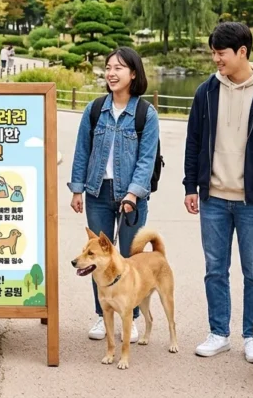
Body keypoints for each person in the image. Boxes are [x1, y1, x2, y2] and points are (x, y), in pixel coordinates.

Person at [183, 22, 253, 364]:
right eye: (213, 52)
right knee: (215, 269)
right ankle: (218, 333)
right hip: (213, 196)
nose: (216, 59)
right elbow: (194, 142)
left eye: (221, 53)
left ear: (242, 52)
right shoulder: (206, 91)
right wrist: (190, 185)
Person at [68, 47, 159, 342]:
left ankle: (130, 317)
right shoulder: (95, 109)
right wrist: (77, 188)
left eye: (118, 68)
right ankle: (102, 314)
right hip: (96, 191)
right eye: (108, 67)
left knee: (131, 259)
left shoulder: (146, 114)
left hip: (131, 195)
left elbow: (147, 160)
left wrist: (133, 195)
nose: (111, 73)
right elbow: (82, 150)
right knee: (98, 258)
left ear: (133, 73)